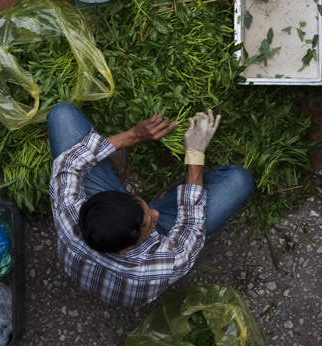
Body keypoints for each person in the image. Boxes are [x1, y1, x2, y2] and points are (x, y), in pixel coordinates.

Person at [47, 103, 254, 307]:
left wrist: (134, 135)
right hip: (143, 259)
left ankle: (146, 213)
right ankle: (169, 204)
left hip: (106, 231)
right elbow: (192, 225)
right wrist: (196, 152)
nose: (155, 213)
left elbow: (68, 164)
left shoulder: (68, 215)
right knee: (239, 181)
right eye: (148, 223)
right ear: (127, 248)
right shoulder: (157, 268)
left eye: (143, 206)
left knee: (61, 114)